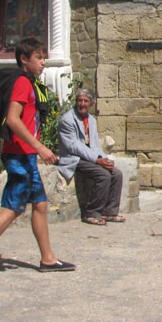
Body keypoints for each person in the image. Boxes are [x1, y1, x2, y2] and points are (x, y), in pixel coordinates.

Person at [0, 37, 75, 277]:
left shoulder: (26, 83)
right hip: (20, 156)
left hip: (23, 155)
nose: (43, 62)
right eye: (39, 57)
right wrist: (40, 147)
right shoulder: (22, 84)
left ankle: (48, 259)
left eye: (44, 57)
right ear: (24, 59)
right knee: (13, 208)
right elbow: (12, 120)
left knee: (40, 204)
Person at [57, 89, 125, 226]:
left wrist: (103, 158)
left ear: (91, 103)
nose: (82, 104)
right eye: (79, 100)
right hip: (74, 158)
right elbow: (74, 146)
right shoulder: (67, 120)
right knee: (103, 175)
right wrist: (97, 160)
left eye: (85, 101)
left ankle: (109, 211)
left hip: (89, 157)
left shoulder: (91, 121)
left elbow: (94, 145)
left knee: (116, 173)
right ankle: (92, 212)